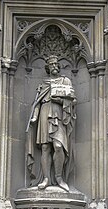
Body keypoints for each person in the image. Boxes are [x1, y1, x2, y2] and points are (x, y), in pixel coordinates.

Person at [27, 55, 76, 191]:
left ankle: (59, 178)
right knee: (45, 147)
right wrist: (35, 117)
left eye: (56, 64)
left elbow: (73, 101)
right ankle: (46, 179)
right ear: (48, 68)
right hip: (44, 112)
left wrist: (59, 100)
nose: (54, 66)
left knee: (58, 146)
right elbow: (37, 103)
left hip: (59, 115)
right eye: (51, 65)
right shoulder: (43, 84)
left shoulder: (65, 81)